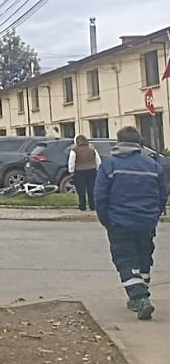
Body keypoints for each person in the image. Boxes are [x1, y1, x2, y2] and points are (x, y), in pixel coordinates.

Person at [94, 126, 166, 320]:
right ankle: (138, 296)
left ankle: (140, 297)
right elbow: (162, 194)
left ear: (118, 141)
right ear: (139, 143)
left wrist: (105, 219)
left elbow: (100, 196)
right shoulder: (152, 166)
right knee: (144, 257)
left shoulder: (110, 165)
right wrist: (154, 215)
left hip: (119, 222)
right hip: (146, 222)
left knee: (125, 259)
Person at [69, 134, 102, 211]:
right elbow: (98, 161)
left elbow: (71, 162)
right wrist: (96, 168)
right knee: (91, 188)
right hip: (92, 170)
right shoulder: (92, 149)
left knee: (81, 189)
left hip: (79, 171)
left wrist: (71, 171)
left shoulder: (74, 150)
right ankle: (92, 205)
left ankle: (82, 205)